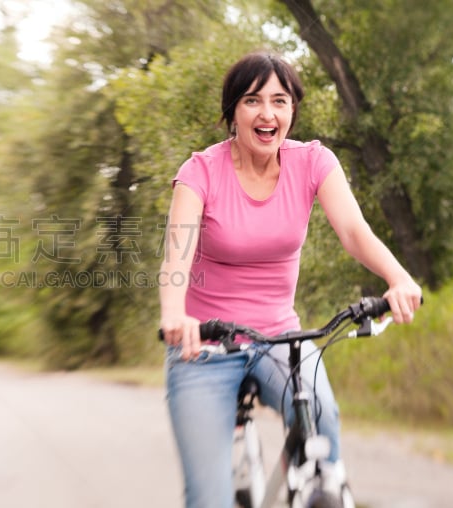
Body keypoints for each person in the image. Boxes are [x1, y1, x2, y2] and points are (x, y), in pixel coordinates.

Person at [158, 51, 423, 508]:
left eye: (280, 101)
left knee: (321, 421)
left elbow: (355, 232)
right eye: (252, 101)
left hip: (281, 336)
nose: (267, 113)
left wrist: (398, 277)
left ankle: (317, 491)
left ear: (292, 111)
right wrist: (174, 316)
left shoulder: (313, 162)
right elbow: (176, 259)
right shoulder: (200, 172)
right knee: (208, 497)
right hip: (205, 342)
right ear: (232, 113)